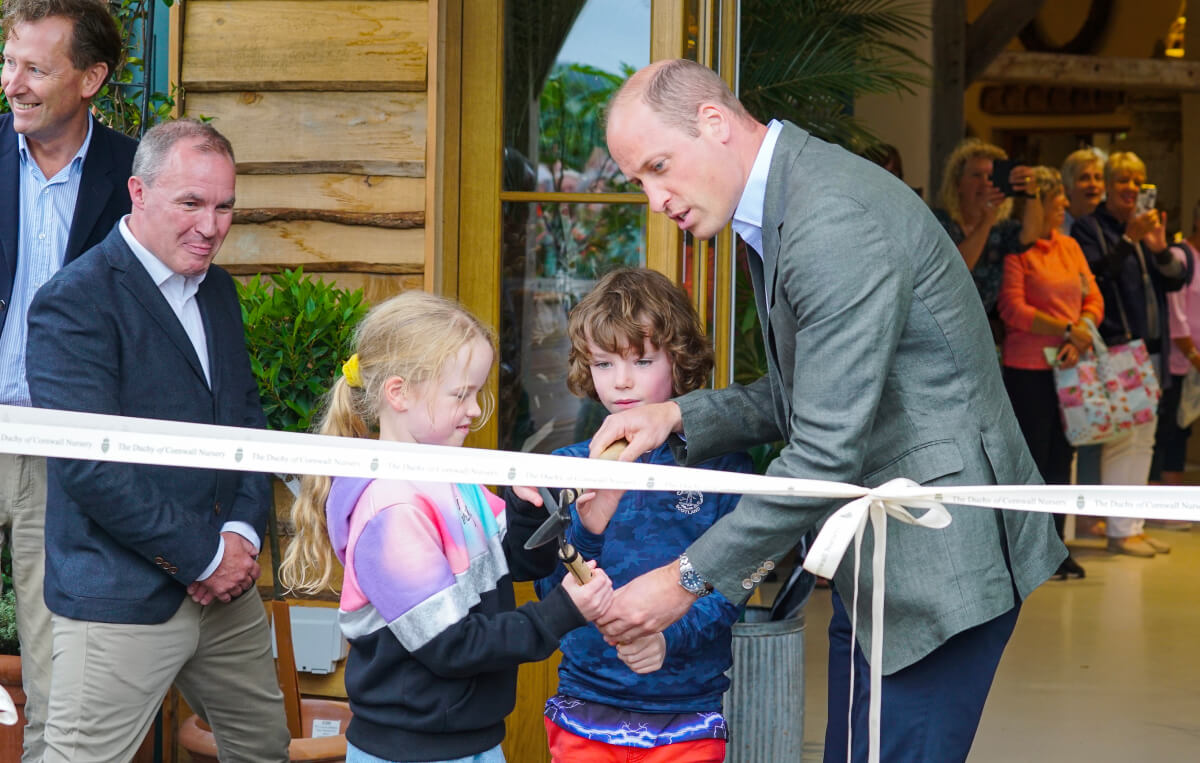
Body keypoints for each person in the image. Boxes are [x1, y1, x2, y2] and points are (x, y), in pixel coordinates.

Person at [593, 59, 1064, 762]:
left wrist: (682, 578)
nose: (655, 198)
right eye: (640, 181)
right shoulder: (792, 198)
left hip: (939, 569)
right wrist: (678, 416)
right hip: (880, 557)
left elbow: (823, 452)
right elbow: (811, 398)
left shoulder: (829, 218)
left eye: (659, 166)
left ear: (714, 124)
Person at [25, 119, 290, 762]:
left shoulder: (219, 291)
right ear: (138, 192)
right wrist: (203, 557)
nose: (211, 224)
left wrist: (243, 537)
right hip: (120, 593)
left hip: (227, 590)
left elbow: (245, 427)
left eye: (224, 205)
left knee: (266, 753)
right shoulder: (73, 301)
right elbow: (90, 468)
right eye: (191, 202)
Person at [278, 290, 614, 763]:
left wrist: (528, 509)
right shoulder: (391, 510)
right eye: (461, 394)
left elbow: (514, 562)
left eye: (477, 392)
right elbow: (450, 647)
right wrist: (560, 613)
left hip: (469, 740)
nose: (475, 410)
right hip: (411, 751)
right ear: (399, 393)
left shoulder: (448, 478)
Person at [526, 268, 752, 762]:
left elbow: (736, 580)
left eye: (643, 360)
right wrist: (588, 527)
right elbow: (549, 592)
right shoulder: (566, 467)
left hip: (688, 711)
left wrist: (667, 640)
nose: (622, 381)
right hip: (585, 703)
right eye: (604, 364)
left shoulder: (725, 468)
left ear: (681, 359)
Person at [0, 1, 135, 756]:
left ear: (91, 78)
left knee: (58, 657)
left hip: (66, 444)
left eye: (34, 68)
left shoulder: (134, 175)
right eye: (8, 62)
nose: (12, 83)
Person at [1071, 151, 1185, 557]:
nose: (1132, 189)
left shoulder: (1145, 231)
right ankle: (1119, 529)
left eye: (1138, 182)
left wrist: (1156, 247)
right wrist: (1131, 239)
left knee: (1144, 442)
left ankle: (1132, 525)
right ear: (1108, 184)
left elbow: (1175, 280)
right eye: (1123, 181)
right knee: (1124, 442)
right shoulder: (1090, 227)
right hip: (1119, 349)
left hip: (1153, 351)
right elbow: (1094, 274)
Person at [997, 167, 1104, 580]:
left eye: (1062, 204)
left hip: (1069, 369)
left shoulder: (1070, 247)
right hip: (1028, 371)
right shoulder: (1017, 251)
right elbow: (1012, 309)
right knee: (1032, 460)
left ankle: (1057, 548)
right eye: (1056, 203)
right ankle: (1025, 554)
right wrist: (1063, 328)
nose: (1061, 210)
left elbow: (1093, 295)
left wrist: (1079, 335)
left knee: (1063, 458)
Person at [932, 138, 1038, 319]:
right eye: (976, 175)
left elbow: (1030, 235)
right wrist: (987, 220)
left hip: (981, 323)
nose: (985, 183)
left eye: (991, 177)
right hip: (942, 319)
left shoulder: (1001, 228)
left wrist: (1032, 192)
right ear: (958, 184)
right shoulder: (939, 222)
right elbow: (958, 269)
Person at [1154, 200, 1200, 486]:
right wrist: (1193, 356)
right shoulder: (1180, 256)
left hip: (1193, 364)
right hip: (1178, 363)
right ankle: (1164, 498)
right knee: (1169, 429)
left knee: (1182, 429)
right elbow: (1175, 313)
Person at [1061, 148, 1106, 234]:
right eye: (1084, 178)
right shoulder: (1056, 228)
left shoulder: (1107, 225)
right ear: (1067, 187)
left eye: (1098, 178)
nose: (1093, 184)